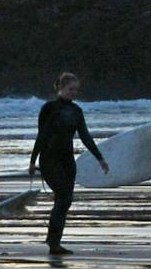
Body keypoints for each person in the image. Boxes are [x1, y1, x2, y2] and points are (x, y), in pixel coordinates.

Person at [29, 72, 108, 255]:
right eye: (71, 89)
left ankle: (54, 241)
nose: (74, 92)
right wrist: (33, 161)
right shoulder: (49, 108)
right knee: (64, 197)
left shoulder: (76, 111)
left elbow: (85, 136)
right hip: (49, 159)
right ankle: (53, 242)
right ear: (61, 88)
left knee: (64, 200)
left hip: (67, 160)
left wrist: (100, 158)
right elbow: (42, 135)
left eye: (76, 90)